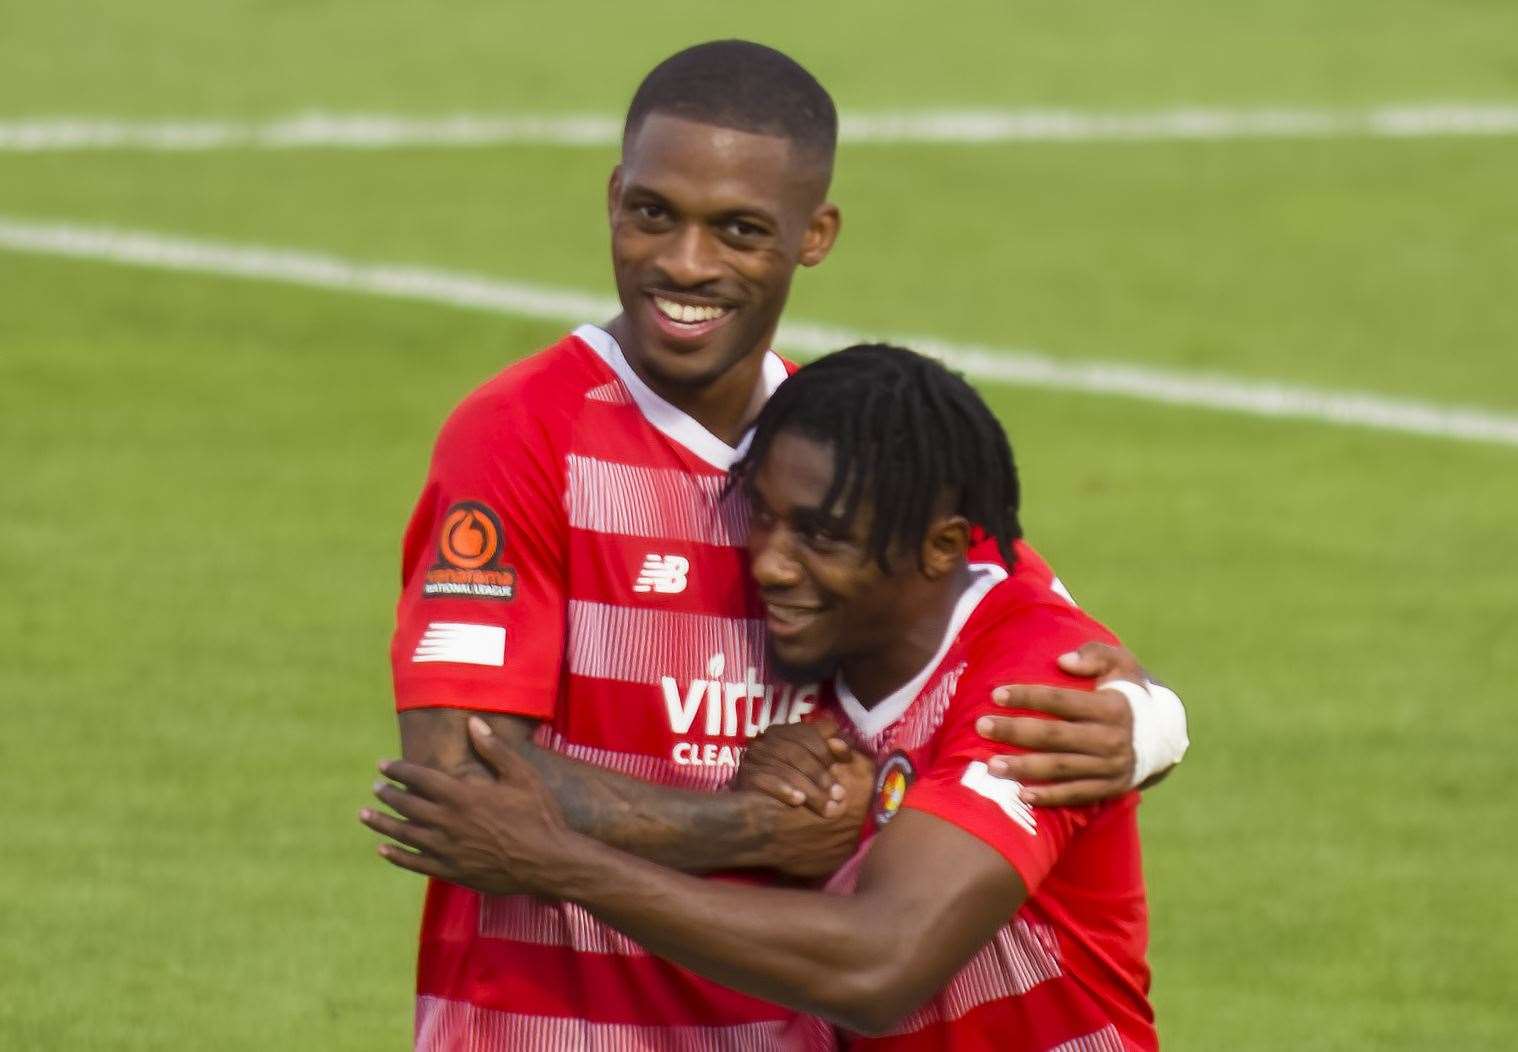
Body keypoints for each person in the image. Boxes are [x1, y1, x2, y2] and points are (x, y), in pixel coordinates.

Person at [371, 40, 1186, 1049]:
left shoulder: (843, 452)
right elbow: (460, 783)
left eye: (739, 229)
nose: (685, 263)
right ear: (614, 196)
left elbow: (1013, 613)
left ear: (816, 235)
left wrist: (1151, 720)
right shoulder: (521, 434)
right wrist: (751, 827)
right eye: (655, 213)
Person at [368, 344, 1157, 1050]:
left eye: (819, 536)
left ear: (942, 546)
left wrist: (559, 862)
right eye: (763, 519)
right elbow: (457, 770)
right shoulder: (836, 673)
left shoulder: (1034, 691)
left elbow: (881, 964)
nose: (771, 566)